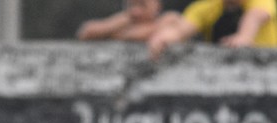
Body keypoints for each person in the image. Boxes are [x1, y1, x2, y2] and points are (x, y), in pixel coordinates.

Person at [148, 0, 277, 58]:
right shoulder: (206, 7)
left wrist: (244, 37)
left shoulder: (260, 1)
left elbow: (255, 15)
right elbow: (181, 30)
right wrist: (161, 38)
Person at [77, 0, 165, 41]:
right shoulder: (124, 20)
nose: (135, 12)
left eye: (142, 5)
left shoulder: (167, 20)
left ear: (157, 5)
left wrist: (114, 34)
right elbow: (86, 31)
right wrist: (112, 26)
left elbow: (142, 34)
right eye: (131, 5)